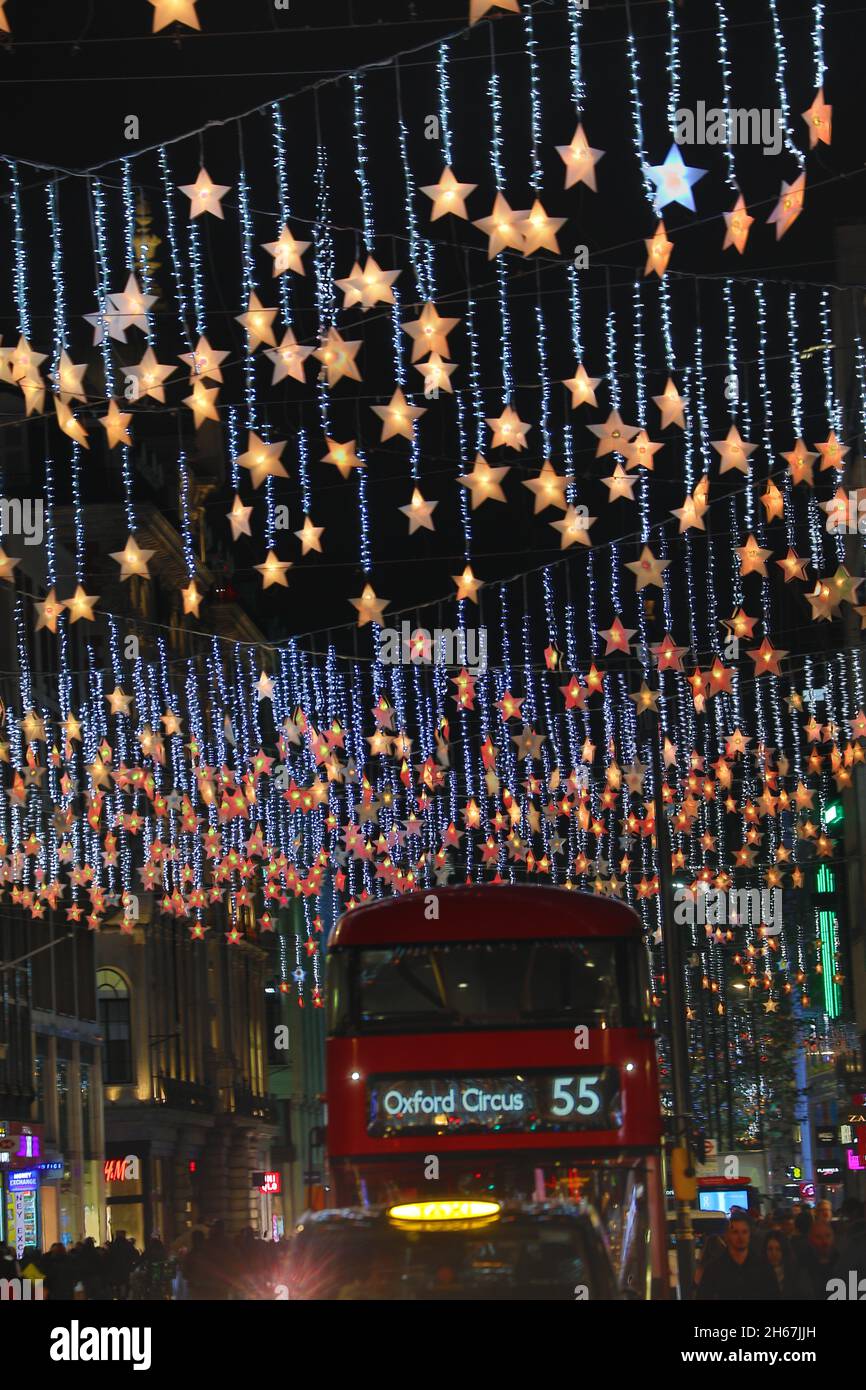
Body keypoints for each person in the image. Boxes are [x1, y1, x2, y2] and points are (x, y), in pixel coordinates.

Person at [695, 1214, 778, 1300]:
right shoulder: (714, 1269)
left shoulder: (763, 1267)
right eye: (735, 1232)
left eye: (744, 1232)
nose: (740, 1237)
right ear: (727, 1236)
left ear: (750, 1235)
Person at [761, 1232, 811, 1300]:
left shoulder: (797, 1272)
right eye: (770, 1249)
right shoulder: (759, 1272)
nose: (774, 1253)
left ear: (784, 1250)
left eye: (778, 1249)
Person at [802, 1221, 840, 1299]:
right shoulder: (802, 1267)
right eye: (818, 1237)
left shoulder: (844, 1262)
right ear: (810, 1240)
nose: (825, 1242)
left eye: (828, 1236)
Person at [107, 1229, 139, 1299]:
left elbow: (109, 1258)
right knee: (126, 1283)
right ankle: (125, 1296)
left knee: (118, 1284)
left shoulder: (114, 1245)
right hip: (126, 1268)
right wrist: (133, 1265)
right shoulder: (128, 1245)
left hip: (116, 1269)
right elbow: (135, 1256)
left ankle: (119, 1296)